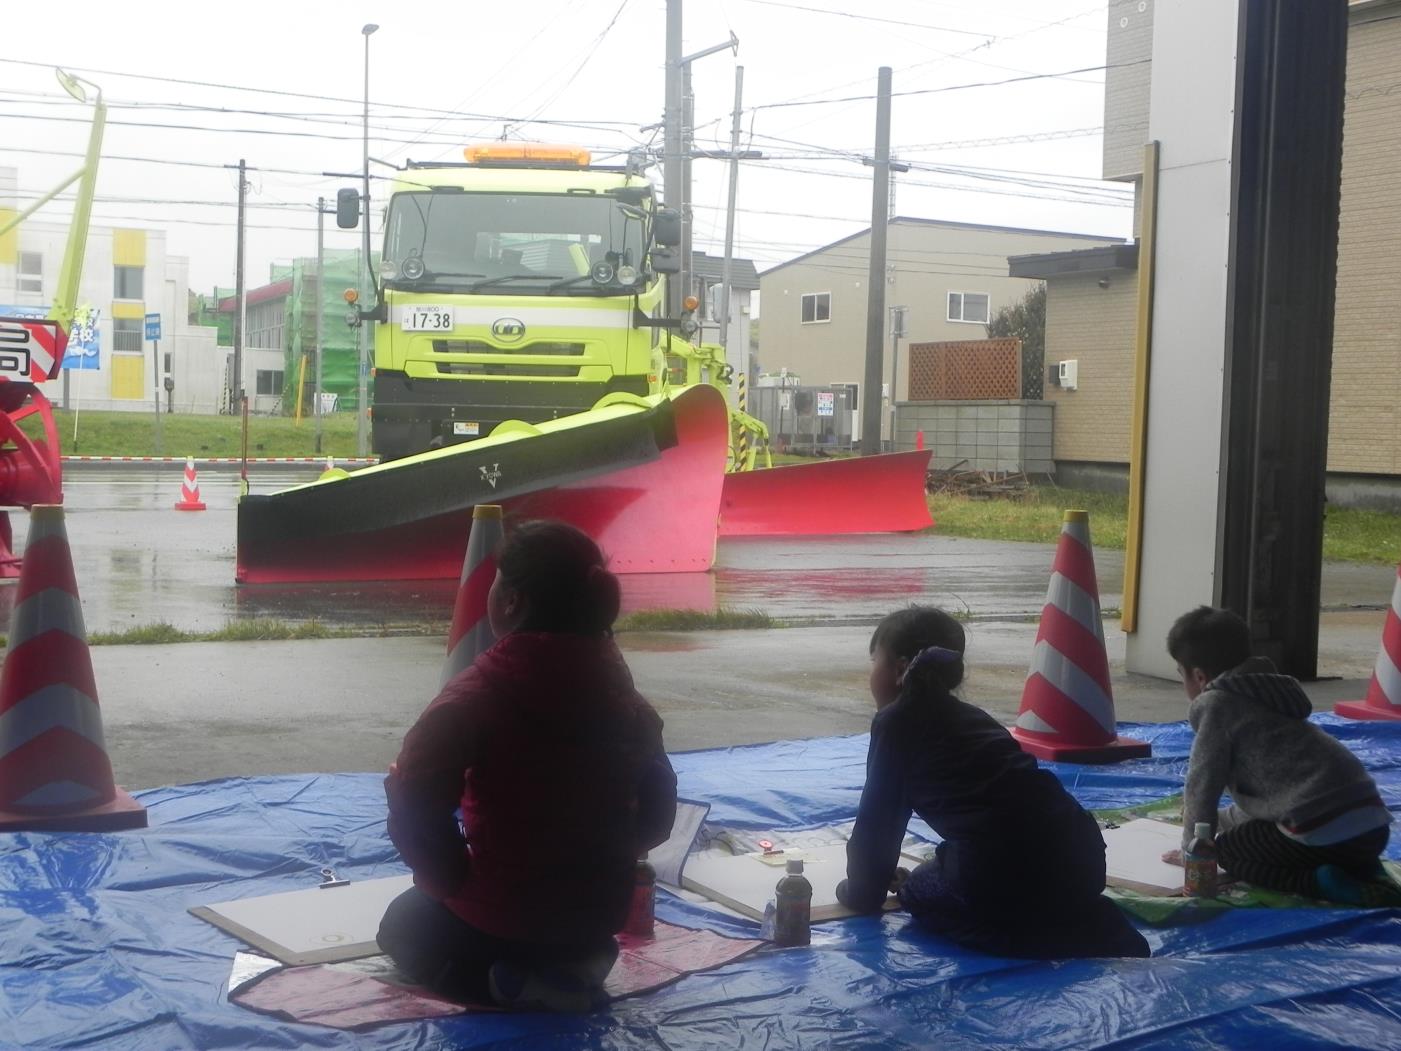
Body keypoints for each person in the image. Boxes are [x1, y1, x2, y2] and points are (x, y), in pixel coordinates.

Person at [378, 520, 678, 1010]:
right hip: (596, 917)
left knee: (404, 924)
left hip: (505, 920)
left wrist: (452, 882)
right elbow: (659, 811)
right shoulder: (625, 696)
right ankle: (578, 968)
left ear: (511, 601)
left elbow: (415, 805)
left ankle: (503, 985)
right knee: (574, 935)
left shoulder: (477, 695)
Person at [836, 606, 1149, 959]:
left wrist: (859, 892)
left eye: (874, 661)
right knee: (956, 858)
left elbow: (877, 829)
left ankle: (1052, 934)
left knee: (921, 888)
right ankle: (1081, 918)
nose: (871, 673)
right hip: (1084, 860)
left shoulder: (895, 724)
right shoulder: (975, 718)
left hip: (1005, 875)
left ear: (897, 670)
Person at [1168, 605, 1400, 905]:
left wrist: (1193, 851)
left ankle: (1318, 883)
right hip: (1373, 833)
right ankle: (1368, 872)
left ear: (1198, 677)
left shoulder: (1216, 705)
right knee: (1276, 835)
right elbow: (1274, 795)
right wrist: (1225, 819)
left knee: (1224, 851)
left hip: (1321, 834)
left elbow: (1202, 787)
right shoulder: (1269, 691)